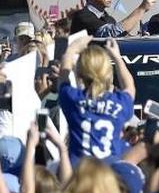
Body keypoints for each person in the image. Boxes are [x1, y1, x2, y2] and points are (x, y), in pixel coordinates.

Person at [56, 35, 136, 163]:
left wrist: (72, 49)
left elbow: (63, 78)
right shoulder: (119, 103)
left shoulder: (73, 99)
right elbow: (130, 87)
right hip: (109, 173)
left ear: (79, 73)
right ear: (109, 73)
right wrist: (117, 57)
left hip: (79, 173)